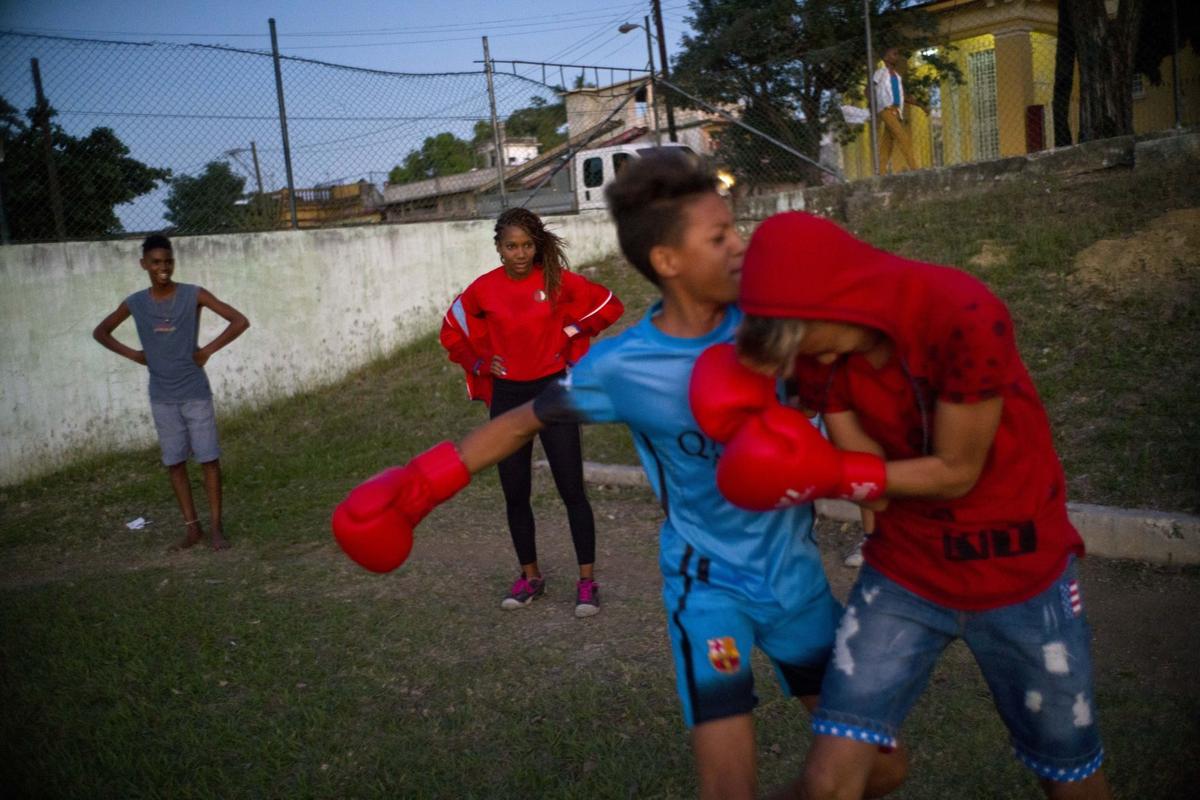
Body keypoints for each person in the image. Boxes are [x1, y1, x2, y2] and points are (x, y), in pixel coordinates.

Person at [330, 153, 904, 800]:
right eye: (719, 237)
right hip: (706, 589)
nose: (740, 245)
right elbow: (522, 422)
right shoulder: (625, 366)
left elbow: (867, 373)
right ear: (668, 261)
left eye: (735, 228)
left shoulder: (774, 329)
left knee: (881, 770)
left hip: (798, 586)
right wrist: (419, 488)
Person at [693, 210, 1109, 799]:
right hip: (907, 571)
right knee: (828, 780)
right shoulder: (820, 357)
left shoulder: (963, 316)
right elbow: (876, 487)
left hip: (1021, 571)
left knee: (1070, 777)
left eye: (798, 339)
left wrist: (831, 474)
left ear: (831, 303)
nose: (796, 360)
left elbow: (956, 472)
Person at [439, 207, 623, 616]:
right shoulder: (482, 290)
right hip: (507, 398)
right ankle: (530, 577)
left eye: (526, 245)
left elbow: (610, 304)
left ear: (536, 246)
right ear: (499, 249)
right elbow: (451, 330)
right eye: (511, 246)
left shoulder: (557, 281)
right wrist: (479, 363)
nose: (519, 253)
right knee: (515, 492)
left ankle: (587, 582)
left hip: (553, 394)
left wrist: (572, 330)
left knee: (571, 489)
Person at [93, 234, 250, 550]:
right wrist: (135, 355)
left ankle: (216, 528)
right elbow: (101, 332)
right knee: (175, 462)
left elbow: (239, 321)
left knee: (208, 459)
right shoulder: (136, 303)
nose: (162, 267)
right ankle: (193, 529)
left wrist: (207, 350)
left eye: (167, 261)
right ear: (144, 265)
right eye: (155, 262)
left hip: (195, 392)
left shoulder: (193, 295)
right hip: (162, 397)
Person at [872, 47, 918, 175]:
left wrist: (921, 106)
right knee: (902, 137)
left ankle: (880, 172)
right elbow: (870, 90)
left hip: (897, 111)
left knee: (887, 144)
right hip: (886, 110)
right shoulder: (880, 73)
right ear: (885, 58)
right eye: (894, 54)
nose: (896, 57)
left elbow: (902, 95)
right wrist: (875, 106)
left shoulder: (897, 76)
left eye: (897, 54)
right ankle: (915, 168)